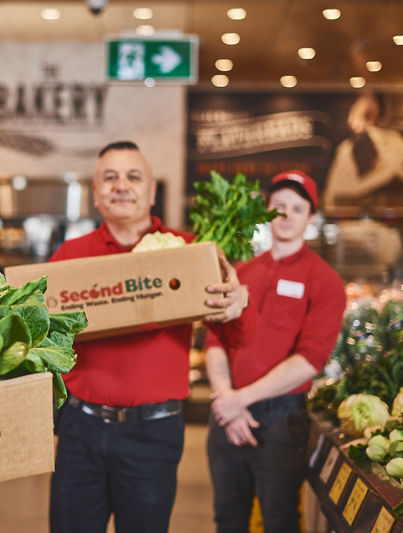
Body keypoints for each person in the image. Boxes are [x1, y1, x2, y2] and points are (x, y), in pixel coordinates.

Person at [48, 140, 257, 533]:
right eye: (109, 178)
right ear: (95, 194)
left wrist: (238, 302)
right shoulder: (69, 258)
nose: (121, 185)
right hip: (81, 429)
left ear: (152, 191)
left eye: (133, 176)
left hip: (153, 432)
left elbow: (240, 336)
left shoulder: (190, 252)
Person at [205, 170, 345, 533]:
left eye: (297, 208)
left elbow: (310, 360)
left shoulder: (325, 280)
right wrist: (227, 400)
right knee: (227, 519)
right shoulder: (240, 271)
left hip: (281, 420)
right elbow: (214, 338)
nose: (286, 214)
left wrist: (241, 400)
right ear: (266, 210)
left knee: (279, 520)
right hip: (226, 415)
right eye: (279, 205)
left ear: (311, 217)